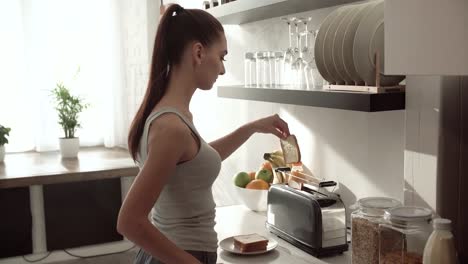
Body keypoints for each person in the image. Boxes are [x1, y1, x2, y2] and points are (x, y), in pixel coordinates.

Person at [117, 4, 290, 264]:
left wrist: (251, 128)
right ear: (198, 52)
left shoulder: (171, 117)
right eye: (222, 57)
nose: (222, 69)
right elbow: (129, 222)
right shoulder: (171, 128)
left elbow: (195, 162)